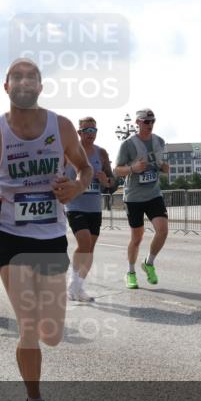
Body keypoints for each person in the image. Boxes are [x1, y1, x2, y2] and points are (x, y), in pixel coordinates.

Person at [0, 58, 91, 401]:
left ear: (40, 87)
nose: (24, 82)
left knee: (51, 332)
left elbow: (84, 169)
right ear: (6, 86)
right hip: (10, 236)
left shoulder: (62, 127)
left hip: (51, 236)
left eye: (32, 77)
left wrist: (77, 186)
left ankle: (35, 380)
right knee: (28, 325)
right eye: (17, 76)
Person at [113, 108, 170, 289]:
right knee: (137, 238)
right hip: (134, 197)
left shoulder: (159, 141)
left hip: (153, 194)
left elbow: (161, 165)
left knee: (163, 230)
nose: (150, 125)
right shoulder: (128, 144)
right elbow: (117, 169)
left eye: (153, 121)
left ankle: (149, 263)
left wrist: (164, 168)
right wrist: (133, 169)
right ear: (137, 122)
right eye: (146, 122)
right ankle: (130, 272)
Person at [64, 117, 114, 302]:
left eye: (94, 130)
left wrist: (106, 181)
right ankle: (72, 285)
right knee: (84, 243)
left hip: (94, 206)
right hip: (74, 204)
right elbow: (55, 173)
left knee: (90, 248)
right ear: (79, 132)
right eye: (87, 130)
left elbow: (112, 182)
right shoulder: (68, 151)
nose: (90, 134)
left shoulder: (101, 153)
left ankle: (79, 287)